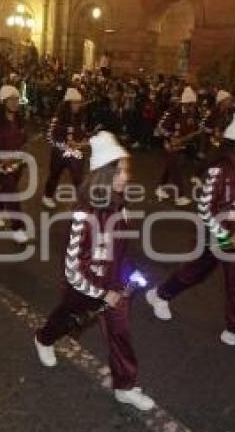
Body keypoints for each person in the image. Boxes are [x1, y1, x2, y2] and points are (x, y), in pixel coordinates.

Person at [34, 131, 156, 411]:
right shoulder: (82, 215)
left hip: (114, 287)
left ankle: (125, 386)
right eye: (120, 171)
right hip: (83, 288)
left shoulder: (119, 205)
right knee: (64, 320)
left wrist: (128, 275)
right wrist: (101, 293)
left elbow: (122, 248)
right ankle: (43, 338)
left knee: (121, 333)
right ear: (104, 174)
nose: (126, 176)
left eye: (127, 170)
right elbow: (72, 270)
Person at [145, 108, 235, 354]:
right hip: (217, 235)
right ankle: (160, 295)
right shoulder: (220, 170)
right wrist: (224, 236)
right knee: (195, 273)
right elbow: (204, 208)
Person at [0, 84, 30, 243]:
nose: (15, 102)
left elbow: (25, 140)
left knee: (7, 190)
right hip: (0, 164)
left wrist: (21, 153)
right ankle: (18, 228)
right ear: (3, 101)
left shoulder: (20, 120)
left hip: (18, 162)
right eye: (11, 99)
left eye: (17, 99)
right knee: (12, 193)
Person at [42, 87, 90, 209]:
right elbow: (50, 137)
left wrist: (82, 141)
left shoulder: (81, 118)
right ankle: (47, 196)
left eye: (79, 102)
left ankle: (81, 202)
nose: (78, 105)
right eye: (75, 102)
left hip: (76, 153)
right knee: (54, 175)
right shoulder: (57, 119)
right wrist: (64, 146)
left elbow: (83, 133)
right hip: (59, 154)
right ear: (68, 104)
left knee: (78, 178)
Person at [155, 87, 200, 206]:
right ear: (186, 103)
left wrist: (189, 137)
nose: (193, 107)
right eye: (191, 105)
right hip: (170, 145)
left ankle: (160, 188)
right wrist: (170, 139)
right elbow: (161, 127)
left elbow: (190, 128)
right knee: (176, 170)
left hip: (181, 145)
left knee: (170, 167)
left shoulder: (191, 114)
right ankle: (180, 196)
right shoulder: (173, 111)